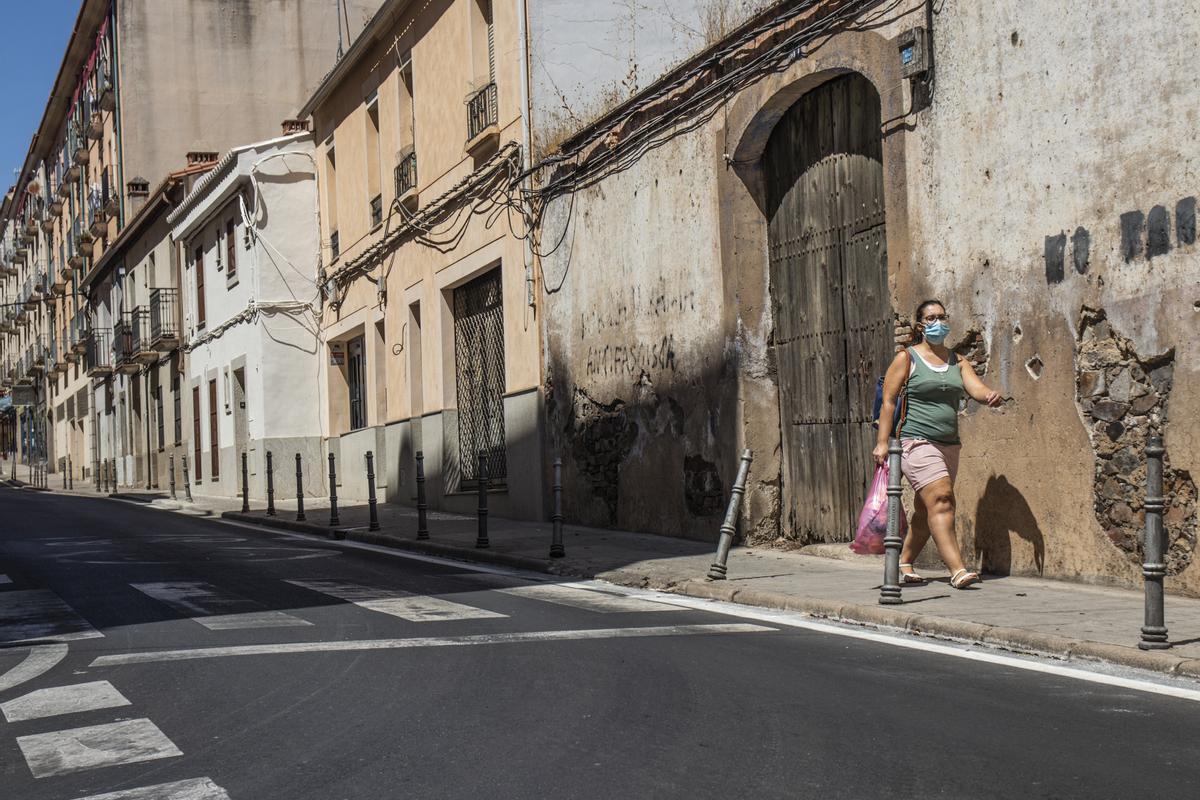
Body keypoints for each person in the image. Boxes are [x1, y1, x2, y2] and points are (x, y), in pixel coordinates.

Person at [873, 300, 1003, 589]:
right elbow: (889, 401)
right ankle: (957, 570)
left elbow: (976, 388)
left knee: (925, 508)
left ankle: (904, 561)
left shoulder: (958, 361)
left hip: (949, 444)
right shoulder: (907, 358)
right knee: (943, 499)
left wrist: (989, 396)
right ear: (920, 325)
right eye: (931, 318)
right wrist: (883, 442)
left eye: (942, 316)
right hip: (915, 440)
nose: (938, 322)